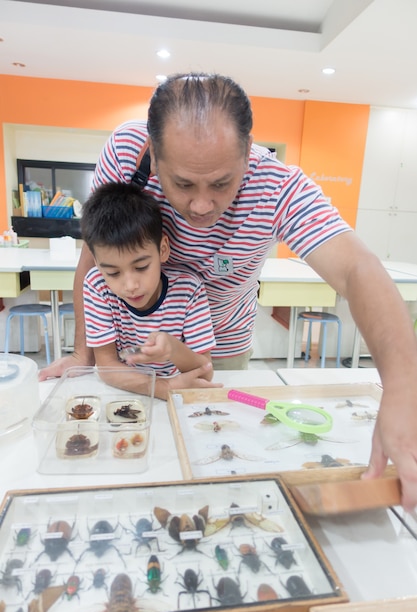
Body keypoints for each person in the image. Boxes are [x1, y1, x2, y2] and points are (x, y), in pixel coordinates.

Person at [40, 72, 417, 510]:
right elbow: (94, 256)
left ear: (247, 153)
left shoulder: (277, 186)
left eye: (221, 183)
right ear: (155, 154)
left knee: (219, 451)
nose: (202, 206)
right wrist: (84, 357)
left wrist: (404, 390)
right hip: (134, 345)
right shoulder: (128, 151)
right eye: (182, 184)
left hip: (223, 341)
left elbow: (357, 268)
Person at [81, 181, 219, 400]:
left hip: (176, 395)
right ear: (97, 264)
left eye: (141, 267)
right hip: (130, 393)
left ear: (163, 250)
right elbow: (106, 365)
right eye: (113, 273)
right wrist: (165, 388)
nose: (130, 285)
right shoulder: (97, 285)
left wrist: (173, 349)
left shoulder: (188, 289)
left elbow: (205, 371)